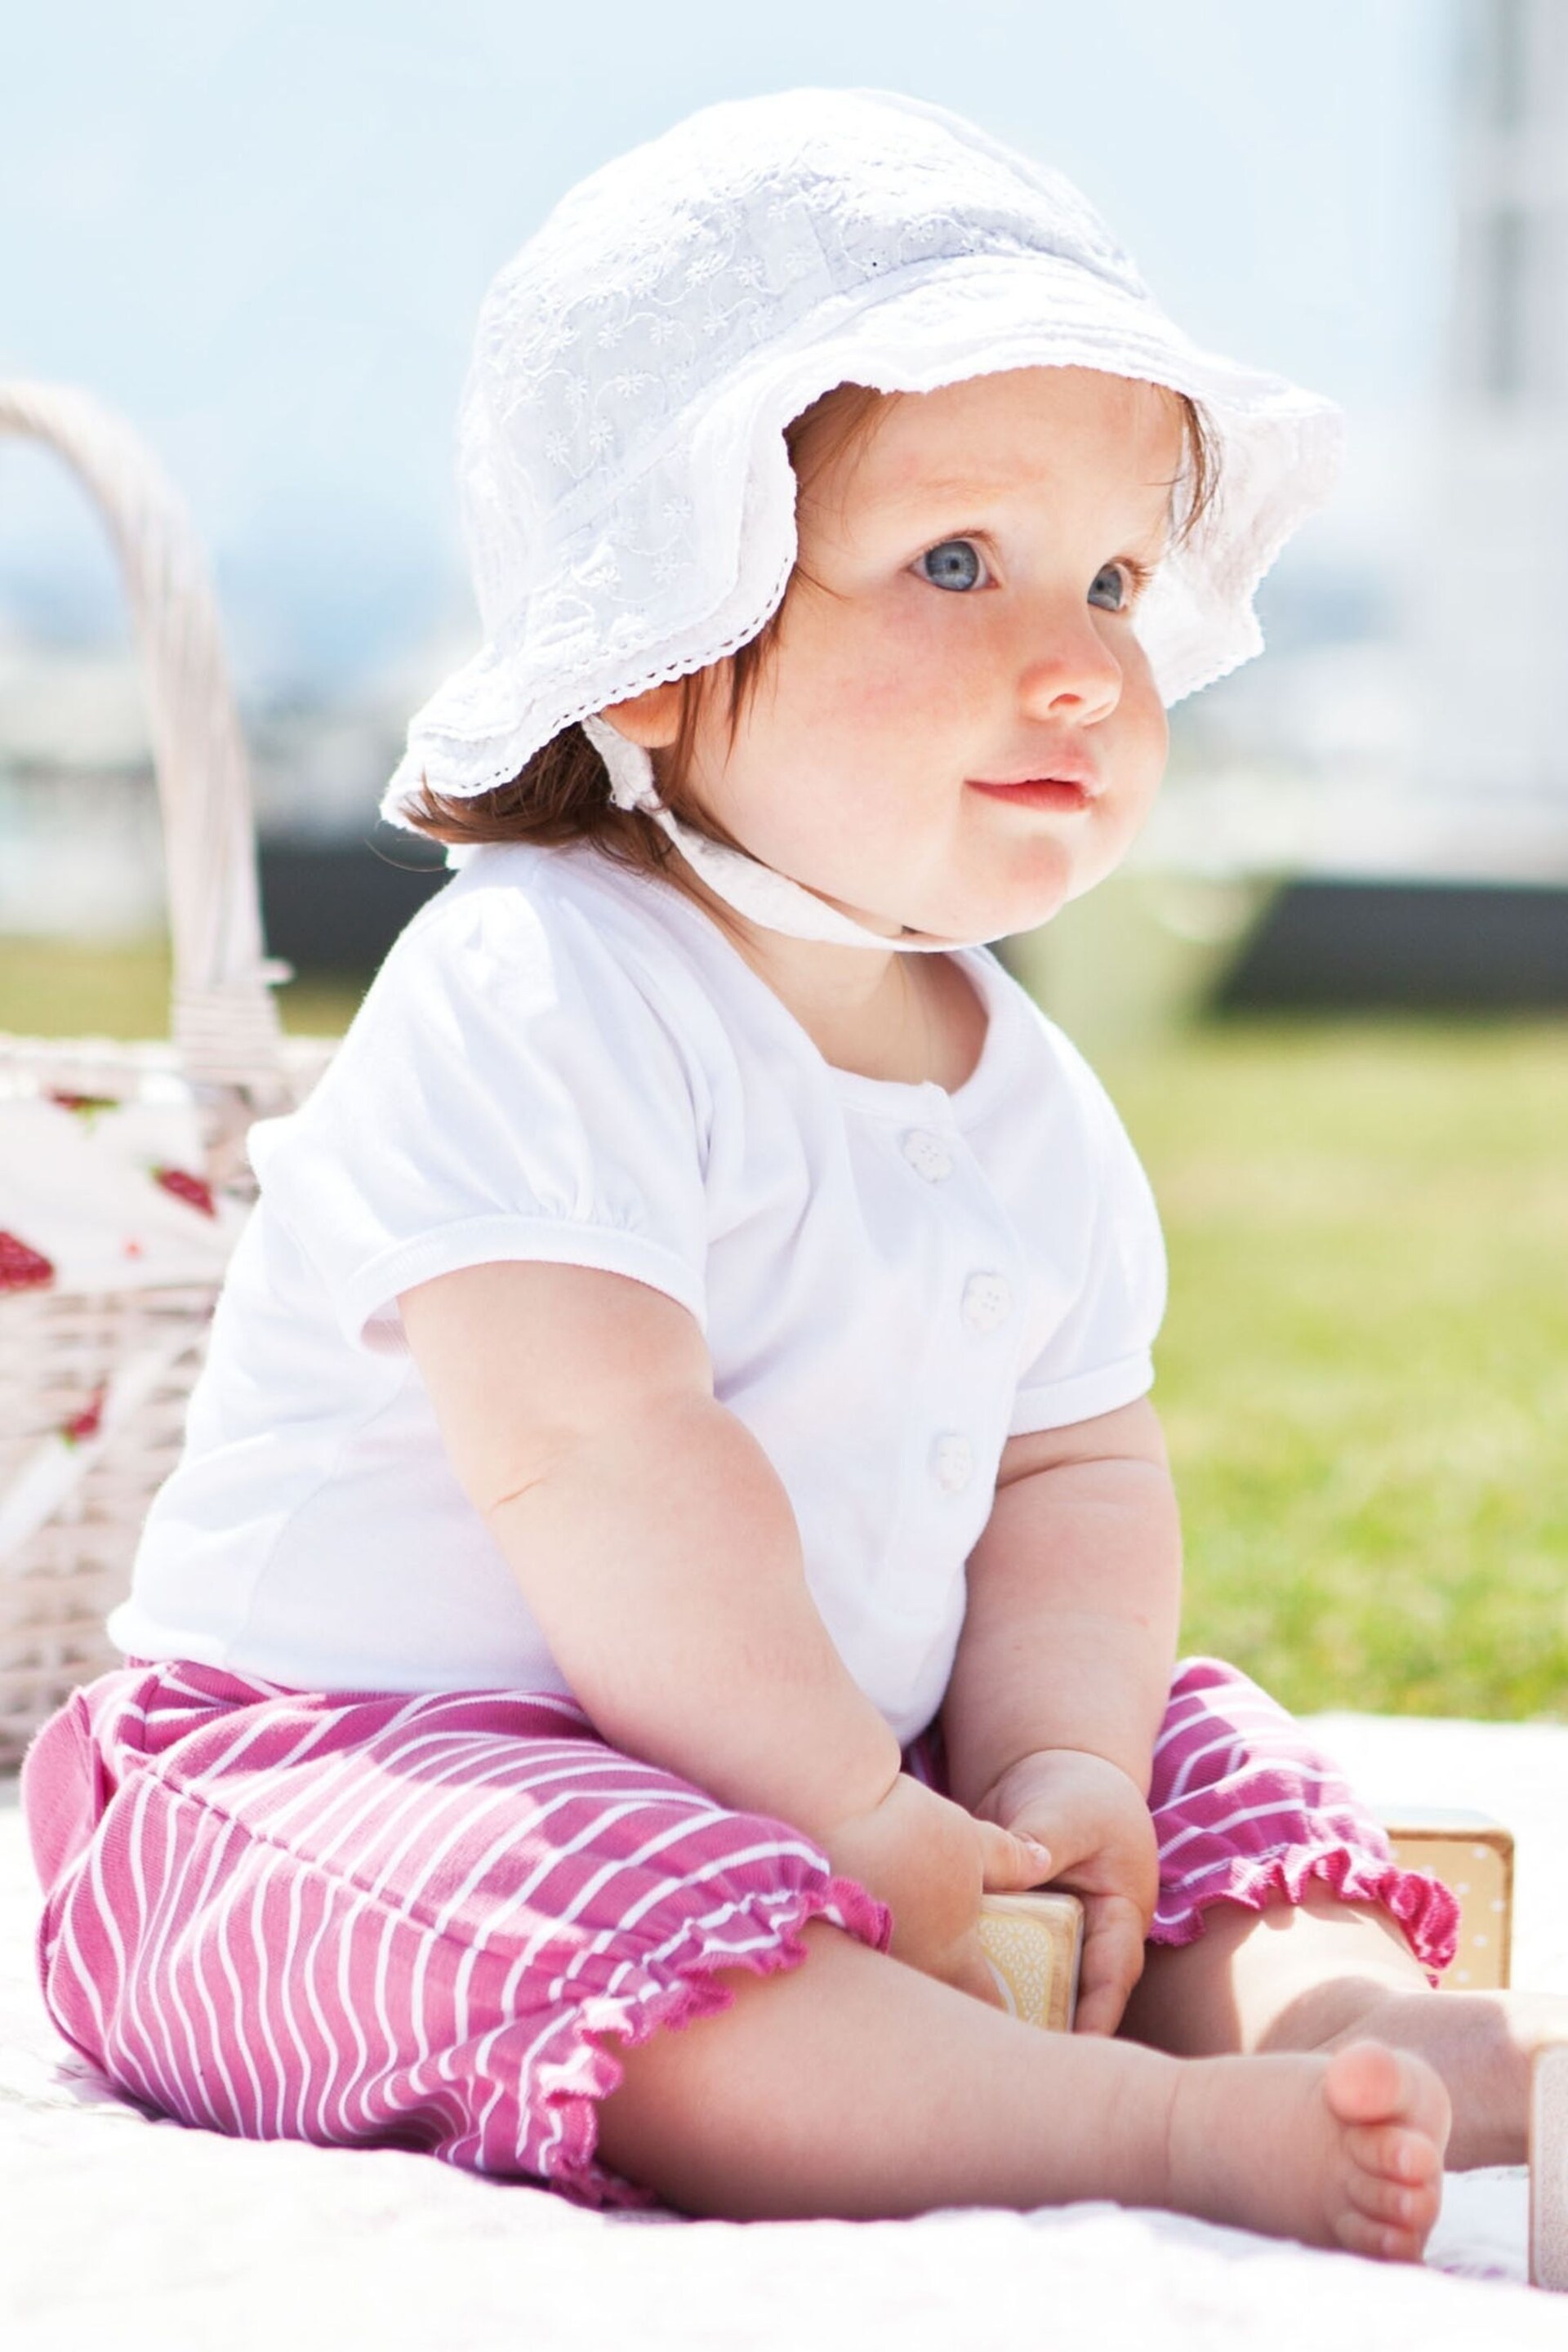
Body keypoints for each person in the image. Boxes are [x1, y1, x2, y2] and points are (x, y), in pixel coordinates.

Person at [20, 88, 1557, 2263]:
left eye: (1117, 580)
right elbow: (598, 1456)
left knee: (1186, 1739)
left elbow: (1069, 1479)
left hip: (818, 1752)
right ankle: (1134, 2134)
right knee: (599, 1907)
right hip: (329, 1778)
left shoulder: (1024, 1091)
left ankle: (1348, 2023)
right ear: (653, 641)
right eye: (957, 562)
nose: (1083, 659)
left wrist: (1054, 1772)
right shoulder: (541, 990)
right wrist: (841, 1808)